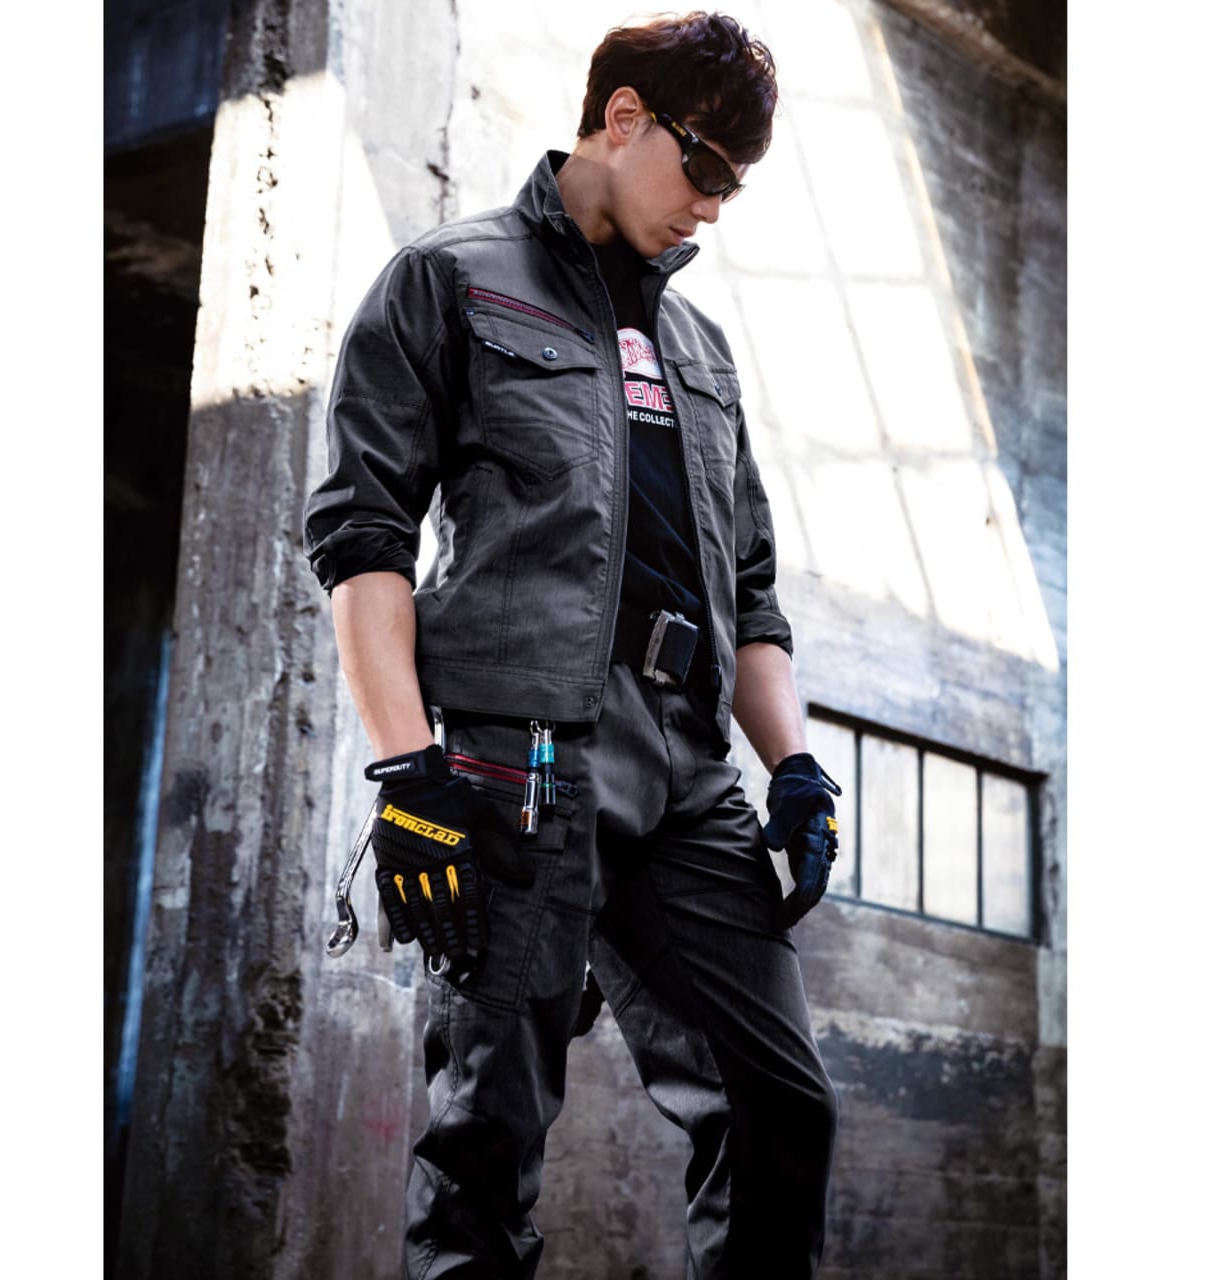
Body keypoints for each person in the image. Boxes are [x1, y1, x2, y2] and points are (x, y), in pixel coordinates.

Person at [304, 12, 842, 1277]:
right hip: (523, 759)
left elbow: (749, 594)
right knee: (486, 1138)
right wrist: (408, 769)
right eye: (704, 169)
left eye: (735, 188)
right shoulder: (450, 278)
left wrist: (793, 764)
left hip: (687, 769)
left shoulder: (699, 351)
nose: (711, 208)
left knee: (781, 1104)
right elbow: (363, 535)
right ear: (622, 117)